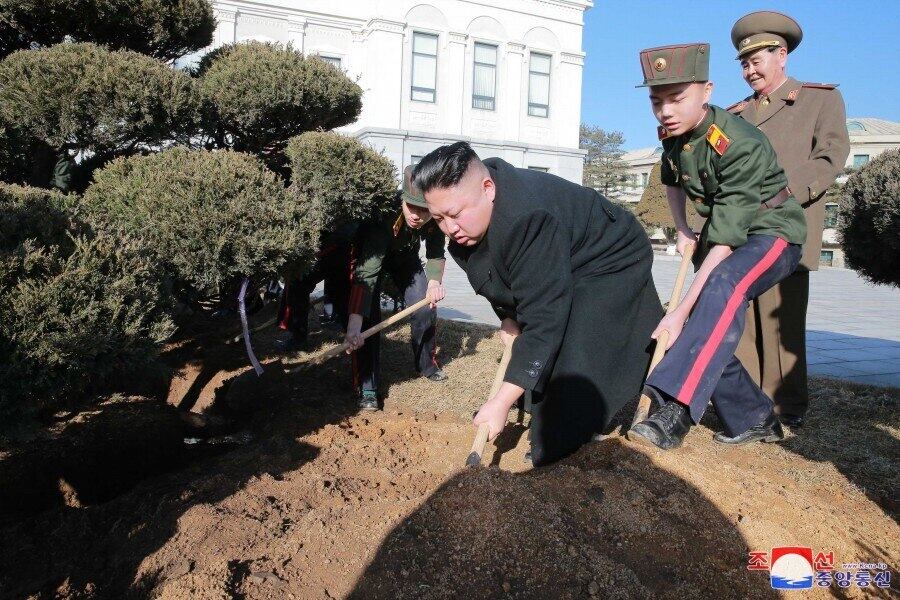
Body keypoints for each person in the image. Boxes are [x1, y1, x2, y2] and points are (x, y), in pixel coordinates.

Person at [412, 142, 663, 467]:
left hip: (607, 256)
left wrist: (501, 401)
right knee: (539, 355)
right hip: (560, 255)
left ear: (488, 188)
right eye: (439, 218)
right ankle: (550, 419)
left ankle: (571, 438)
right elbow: (500, 279)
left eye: (456, 215)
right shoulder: (469, 221)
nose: (449, 228)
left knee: (577, 351)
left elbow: (545, 320)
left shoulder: (526, 219)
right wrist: (509, 317)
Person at [629, 42, 807, 450]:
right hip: (726, 237)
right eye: (657, 102)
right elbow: (671, 181)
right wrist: (681, 228)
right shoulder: (675, 136)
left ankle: (674, 409)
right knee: (710, 316)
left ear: (706, 91)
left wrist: (678, 314)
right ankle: (755, 417)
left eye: (677, 99)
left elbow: (727, 242)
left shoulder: (737, 142)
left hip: (773, 233)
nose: (666, 111)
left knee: (718, 288)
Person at [728, 11, 851, 428]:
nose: (749, 71)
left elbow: (831, 155)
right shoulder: (735, 115)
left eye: (756, 61)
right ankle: (746, 407)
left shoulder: (820, 99)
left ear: (781, 55)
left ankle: (785, 409)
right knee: (741, 321)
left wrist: (784, 195)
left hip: (789, 228)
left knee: (781, 322)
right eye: (743, 64)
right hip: (742, 231)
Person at [344, 166, 448, 411]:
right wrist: (354, 322)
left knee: (424, 307)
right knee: (367, 321)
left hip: (404, 257)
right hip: (372, 257)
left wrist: (434, 282)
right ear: (402, 199)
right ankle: (367, 386)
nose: (417, 216)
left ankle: (427, 365)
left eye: (425, 210)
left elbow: (435, 250)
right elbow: (367, 275)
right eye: (412, 207)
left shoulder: (435, 215)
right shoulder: (383, 218)